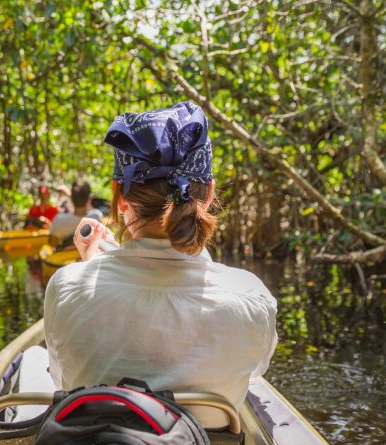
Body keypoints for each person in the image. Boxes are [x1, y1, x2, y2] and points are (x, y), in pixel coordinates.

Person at [43, 102, 277, 423]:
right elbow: (254, 372)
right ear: (208, 193)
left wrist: (89, 267)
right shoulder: (252, 296)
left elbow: (62, 379)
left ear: (120, 197)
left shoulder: (67, 286)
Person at [48, 180, 103, 244]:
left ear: (71, 198)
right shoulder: (96, 218)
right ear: (89, 199)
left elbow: (51, 243)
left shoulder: (59, 220)